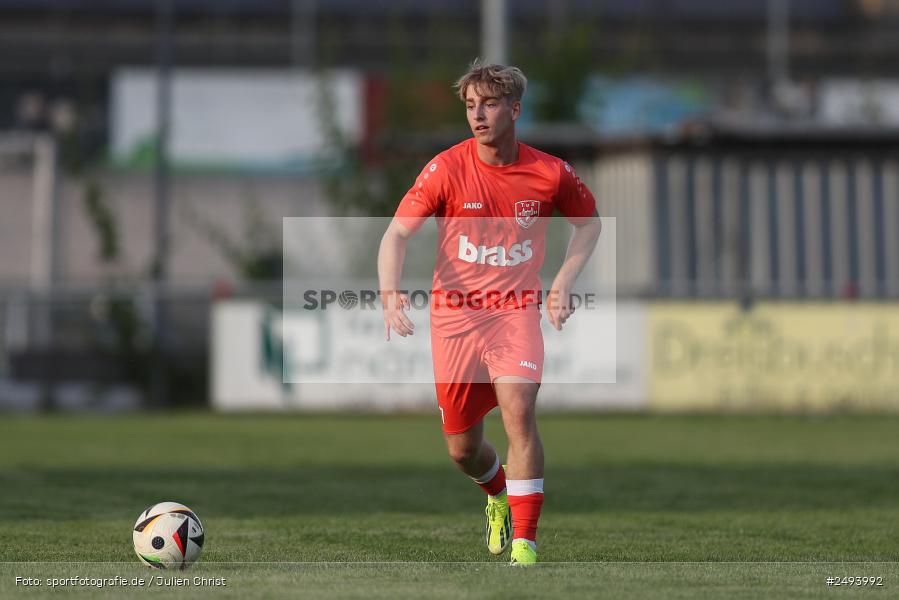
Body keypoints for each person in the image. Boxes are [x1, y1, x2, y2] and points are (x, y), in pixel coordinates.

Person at [377, 59, 601, 565]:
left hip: (515, 312)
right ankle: (496, 496)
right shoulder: (446, 168)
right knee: (462, 449)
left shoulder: (549, 172)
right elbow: (395, 234)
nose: (478, 115)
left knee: (519, 413)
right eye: (471, 106)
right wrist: (390, 294)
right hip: (456, 318)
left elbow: (589, 225)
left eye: (490, 104)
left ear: (515, 109)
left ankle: (526, 542)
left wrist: (563, 281)